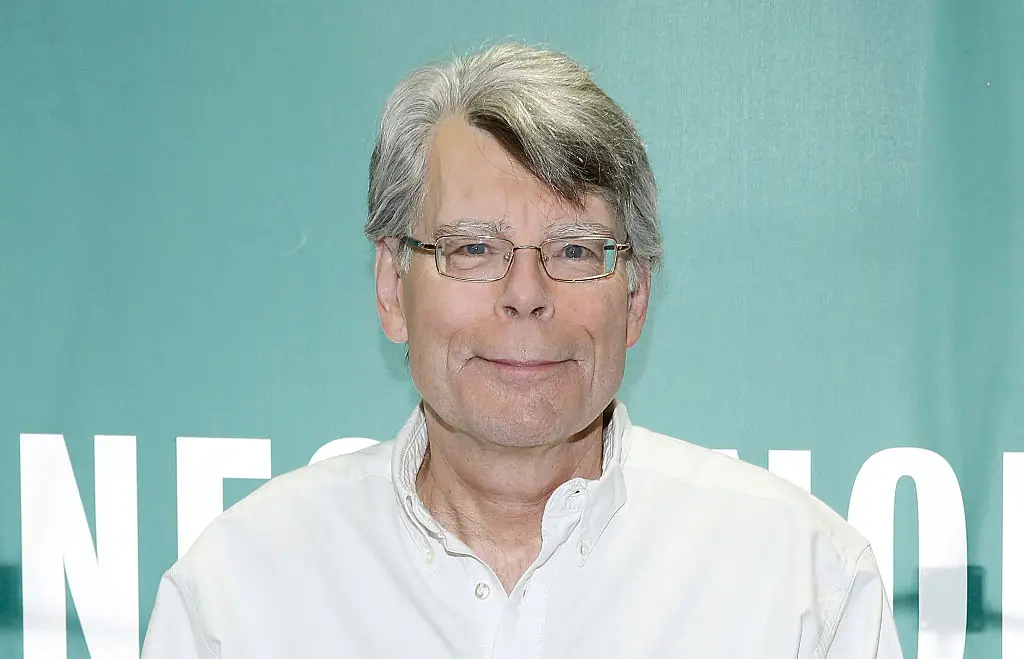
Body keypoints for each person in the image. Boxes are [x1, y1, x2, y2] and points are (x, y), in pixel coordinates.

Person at [141, 42, 903, 658]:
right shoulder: (239, 593)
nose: (526, 293)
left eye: (575, 250)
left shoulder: (803, 585)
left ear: (635, 296)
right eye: (474, 247)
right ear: (391, 286)